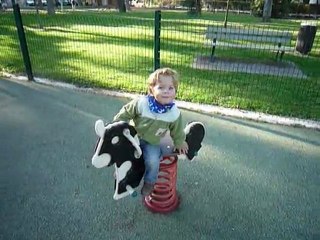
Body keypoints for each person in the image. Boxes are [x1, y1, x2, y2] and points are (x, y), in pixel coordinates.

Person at [113, 67, 189, 196]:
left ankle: (150, 181)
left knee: (153, 160)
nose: (166, 91)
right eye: (161, 87)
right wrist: (118, 125)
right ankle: (121, 175)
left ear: (175, 90)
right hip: (133, 138)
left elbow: (177, 130)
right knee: (121, 152)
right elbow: (126, 112)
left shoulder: (174, 113)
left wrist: (180, 142)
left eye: (171, 88)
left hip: (152, 142)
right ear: (151, 89)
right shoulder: (141, 104)